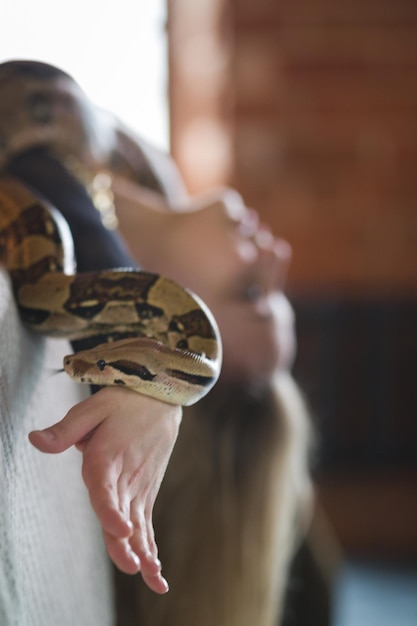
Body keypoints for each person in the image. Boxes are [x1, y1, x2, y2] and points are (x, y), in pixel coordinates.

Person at [0, 60, 316, 625]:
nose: (277, 256)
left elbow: (59, 199)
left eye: (250, 292)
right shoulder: (151, 169)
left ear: (167, 326)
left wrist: (161, 391)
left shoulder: (60, 207)